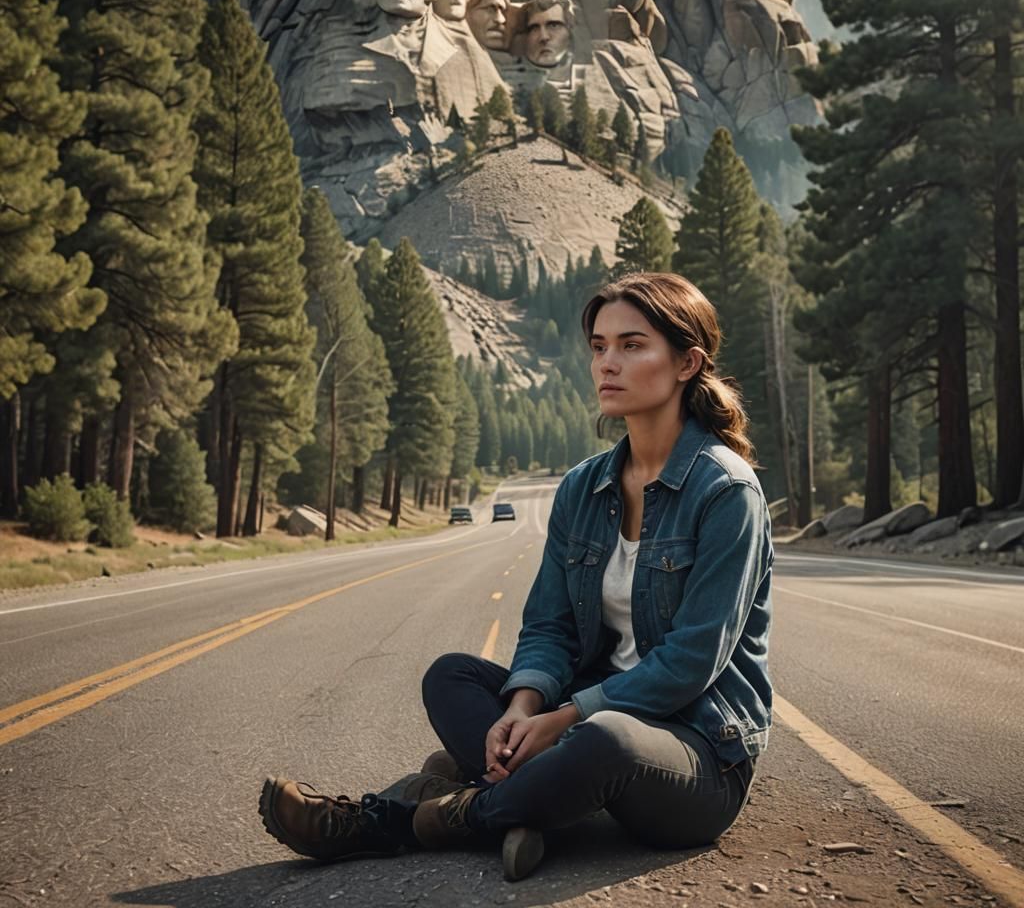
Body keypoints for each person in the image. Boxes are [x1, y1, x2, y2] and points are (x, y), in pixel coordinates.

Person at [258, 272, 773, 882]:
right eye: (599, 346)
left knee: (605, 741)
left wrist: (563, 719)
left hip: (694, 754)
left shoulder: (726, 491)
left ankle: (398, 817)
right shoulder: (584, 487)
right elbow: (550, 623)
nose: (608, 363)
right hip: (581, 722)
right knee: (451, 675)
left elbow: (691, 662)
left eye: (632, 345)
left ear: (687, 362)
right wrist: (524, 705)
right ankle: (533, 810)